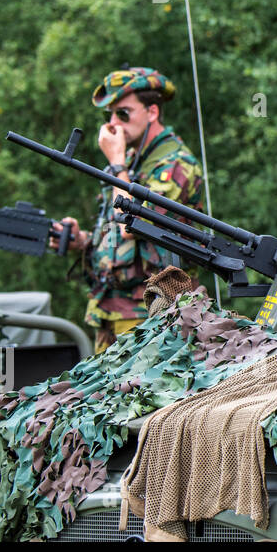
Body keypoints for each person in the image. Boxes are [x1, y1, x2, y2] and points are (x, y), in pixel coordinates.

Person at [54, 67, 203, 352]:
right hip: (110, 311)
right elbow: (114, 233)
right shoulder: (133, 162)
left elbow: (131, 224)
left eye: (123, 113)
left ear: (152, 112)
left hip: (155, 313)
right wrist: (82, 241)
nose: (113, 124)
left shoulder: (176, 164)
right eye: (108, 116)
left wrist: (118, 165)